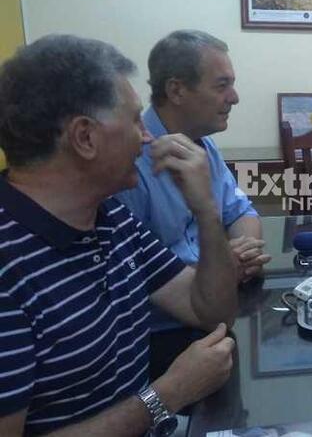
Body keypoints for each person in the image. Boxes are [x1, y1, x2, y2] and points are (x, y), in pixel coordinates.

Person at [0, 35, 238, 436]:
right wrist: (166, 395)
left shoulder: (109, 217)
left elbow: (211, 311)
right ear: (85, 138)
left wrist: (206, 210)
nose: (146, 137)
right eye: (133, 121)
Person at [117, 30, 268, 283]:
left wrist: (244, 254)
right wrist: (219, 268)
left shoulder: (205, 144)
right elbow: (132, 273)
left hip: (220, 295)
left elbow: (241, 212)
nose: (235, 97)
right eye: (222, 86)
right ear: (176, 91)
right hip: (170, 316)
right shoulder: (128, 160)